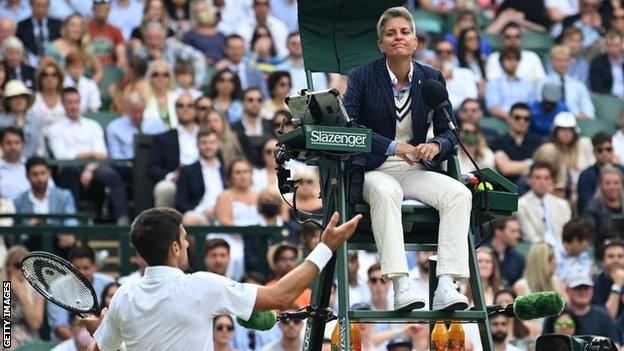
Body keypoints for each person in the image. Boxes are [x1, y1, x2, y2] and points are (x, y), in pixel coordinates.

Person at [80, 207, 362, 350]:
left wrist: (102, 333)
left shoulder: (123, 296)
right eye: (183, 238)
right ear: (175, 248)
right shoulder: (201, 284)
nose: (189, 244)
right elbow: (280, 297)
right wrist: (326, 247)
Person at [343, 7, 472, 312]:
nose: (398, 37)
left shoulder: (431, 77)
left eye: (404, 32)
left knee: (459, 193)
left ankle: (445, 284)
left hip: (414, 167)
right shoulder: (361, 77)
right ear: (381, 44)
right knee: (388, 192)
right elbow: (349, 129)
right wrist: (391, 146)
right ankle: (401, 284)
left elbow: (450, 132)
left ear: (415, 41)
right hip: (374, 168)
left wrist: (436, 146)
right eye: (391, 33)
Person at [49, 87, 129, 224]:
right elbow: (61, 156)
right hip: (69, 167)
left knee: (112, 175)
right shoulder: (55, 128)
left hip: (93, 166)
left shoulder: (93, 125)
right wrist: (90, 153)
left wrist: (89, 169)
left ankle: (122, 220)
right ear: (63, 104)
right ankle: (71, 221)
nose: (74, 106)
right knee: (70, 171)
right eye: (69, 102)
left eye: (76, 102)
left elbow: (102, 154)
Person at [49, 245, 115, 341]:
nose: (81, 272)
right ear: (70, 267)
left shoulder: (108, 282)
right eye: (77, 268)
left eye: (86, 268)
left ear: (94, 266)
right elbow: (60, 327)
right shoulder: (57, 287)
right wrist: (82, 344)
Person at [147, 92, 200, 208]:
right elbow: (152, 168)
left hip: (202, 177)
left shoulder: (205, 135)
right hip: (177, 181)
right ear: (175, 110)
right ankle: (163, 225)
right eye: (181, 105)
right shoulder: (163, 138)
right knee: (164, 188)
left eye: (190, 105)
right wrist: (171, 176)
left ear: (196, 110)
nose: (185, 109)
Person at [534, 112, 595, 198]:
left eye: (570, 130)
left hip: (581, 194)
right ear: (556, 131)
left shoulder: (582, 145)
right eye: (563, 129)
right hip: (554, 195)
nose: (567, 133)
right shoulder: (549, 150)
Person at [177, 129, 226, 225]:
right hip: (200, 216)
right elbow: (181, 202)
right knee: (189, 219)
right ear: (197, 145)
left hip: (225, 213)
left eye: (211, 142)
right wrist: (203, 211)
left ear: (218, 144)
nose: (208, 146)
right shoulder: (188, 171)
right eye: (204, 143)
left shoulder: (226, 170)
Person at [0, 245, 45, 349]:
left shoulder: (37, 287)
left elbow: (35, 324)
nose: (21, 271)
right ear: (8, 267)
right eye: (17, 266)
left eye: (25, 266)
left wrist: (23, 296)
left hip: (28, 339)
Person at [517, 162, 572, 245]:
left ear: (551, 181)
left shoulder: (563, 205)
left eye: (546, 178)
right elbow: (531, 237)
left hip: (563, 250)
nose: (542, 182)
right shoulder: (521, 205)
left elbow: (568, 235)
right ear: (529, 180)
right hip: (538, 252)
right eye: (538, 178)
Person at [14, 156, 77, 227]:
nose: (40, 179)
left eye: (43, 173)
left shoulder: (64, 196)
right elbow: (17, 229)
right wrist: (30, 225)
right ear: (27, 176)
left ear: (49, 173)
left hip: (58, 237)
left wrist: (66, 232)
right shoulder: (19, 201)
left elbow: (71, 221)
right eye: (35, 174)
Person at [492, 103, 542, 186]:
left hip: (531, 188)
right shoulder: (498, 142)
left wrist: (513, 165)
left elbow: (541, 168)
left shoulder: (537, 142)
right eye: (517, 118)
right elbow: (505, 168)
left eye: (526, 119)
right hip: (506, 189)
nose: (522, 121)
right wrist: (531, 163)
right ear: (509, 118)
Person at [106, 92, 165, 160]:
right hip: (127, 166)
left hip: (154, 164)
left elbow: (163, 148)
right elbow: (115, 155)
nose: (137, 115)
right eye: (133, 112)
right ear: (127, 110)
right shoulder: (114, 128)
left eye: (140, 111)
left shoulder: (156, 123)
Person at [542, 45, 595, 120]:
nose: (562, 64)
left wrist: (575, 118)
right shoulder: (542, 83)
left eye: (565, 60)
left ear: (570, 61)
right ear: (551, 61)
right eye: (558, 60)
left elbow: (590, 113)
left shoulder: (579, 85)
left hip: (577, 124)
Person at [485, 46, 535, 122]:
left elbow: (532, 106)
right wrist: (513, 119)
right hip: (501, 122)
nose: (513, 63)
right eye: (509, 59)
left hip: (524, 121)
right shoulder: (494, 83)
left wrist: (520, 119)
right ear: (501, 62)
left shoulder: (528, 84)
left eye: (516, 59)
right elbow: (493, 108)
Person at [565, 271, 619, 341]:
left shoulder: (603, 315)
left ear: (592, 289)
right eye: (577, 288)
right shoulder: (559, 316)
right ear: (567, 290)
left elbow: (615, 345)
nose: (582, 292)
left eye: (586, 288)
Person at [577, 132, 624, 214]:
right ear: (594, 152)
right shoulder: (586, 176)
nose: (605, 153)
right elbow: (586, 205)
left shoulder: (622, 171)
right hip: (596, 219)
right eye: (600, 150)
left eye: (608, 149)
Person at [214, 35, 269, 99]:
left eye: (239, 49)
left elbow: (265, 95)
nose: (236, 52)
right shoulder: (220, 69)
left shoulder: (254, 69)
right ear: (226, 49)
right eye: (233, 49)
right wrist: (217, 70)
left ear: (244, 49)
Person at [0, 79, 44, 158]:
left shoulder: (36, 121)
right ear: (8, 101)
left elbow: (40, 146)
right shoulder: (1, 122)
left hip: (33, 164)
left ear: (27, 100)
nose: (19, 100)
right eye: (14, 97)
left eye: (22, 97)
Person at [231, 88, 273, 167]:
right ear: (242, 103)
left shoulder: (271, 125)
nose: (255, 103)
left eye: (259, 100)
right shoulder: (234, 128)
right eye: (250, 100)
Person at [583, 165, 624, 244]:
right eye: (607, 183)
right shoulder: (592, 209)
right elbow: (590, 239)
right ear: (601, 185)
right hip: (603, 253)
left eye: (616, 183)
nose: (612, 187)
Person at [182, 1, 225, 66]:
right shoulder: (190, 36)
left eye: (204, 10)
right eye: (198, 11)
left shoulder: (221, 35)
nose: (202, 14)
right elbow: (186, 56)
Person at [487, 217, 525, 286]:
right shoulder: (483, 254)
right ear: (498, 232)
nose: (518, 235)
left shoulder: (519, 259)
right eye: (513, 231)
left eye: (518, 231)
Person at [592, 240, 624, 320]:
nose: (616, 260)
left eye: (620, 256)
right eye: (611, 256)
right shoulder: (595, 284)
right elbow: (607, 319)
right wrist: (617, 285)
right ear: (602, 261)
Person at [30, 60, 66, 131]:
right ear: (40, 79)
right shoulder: (32, 99)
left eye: (54, 75)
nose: (49, 78)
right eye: (45, 75)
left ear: (60, 79)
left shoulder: (65, 98)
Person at [143, 60, 178, 129]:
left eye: (165, 75)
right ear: (150, 78)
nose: (160, 78)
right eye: (156, 74)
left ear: (170, 78)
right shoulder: (144, 100)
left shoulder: (177, 98)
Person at [557, 219, 593, 284]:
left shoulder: (584, 255)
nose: (588, 246)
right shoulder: (553, 255)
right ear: (576, 239)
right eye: (587, 241)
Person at [590, 31, 624, 97]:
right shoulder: (598, 63)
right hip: (608, 99)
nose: (613, 49)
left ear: (622, 44)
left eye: (616, 45)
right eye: (610, 46)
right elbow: (597, 88)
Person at [0, 127, 30, 200]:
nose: (13, 147)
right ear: (1, 145)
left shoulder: (32, 166)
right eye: (8, 143)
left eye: (17, 143)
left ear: (22, 144)